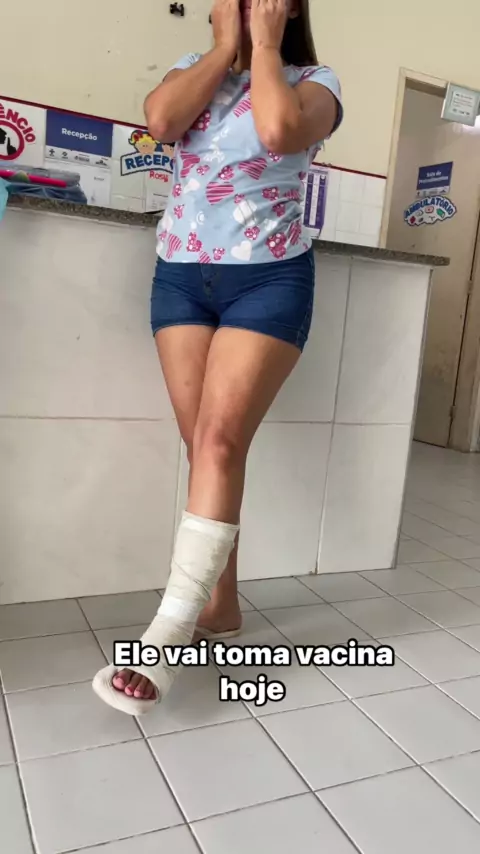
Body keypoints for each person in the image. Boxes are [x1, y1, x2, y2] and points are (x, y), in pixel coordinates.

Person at [93, 0, 342, 714]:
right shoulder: (191, 70)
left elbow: (277, 130)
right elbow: (161, 121)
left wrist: (263, 46)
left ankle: (167, 635)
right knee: (203, 447)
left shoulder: (316, 83)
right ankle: (220, 608)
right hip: (181, 277)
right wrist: (221, 48)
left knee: (219, 441)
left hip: (269, 279)